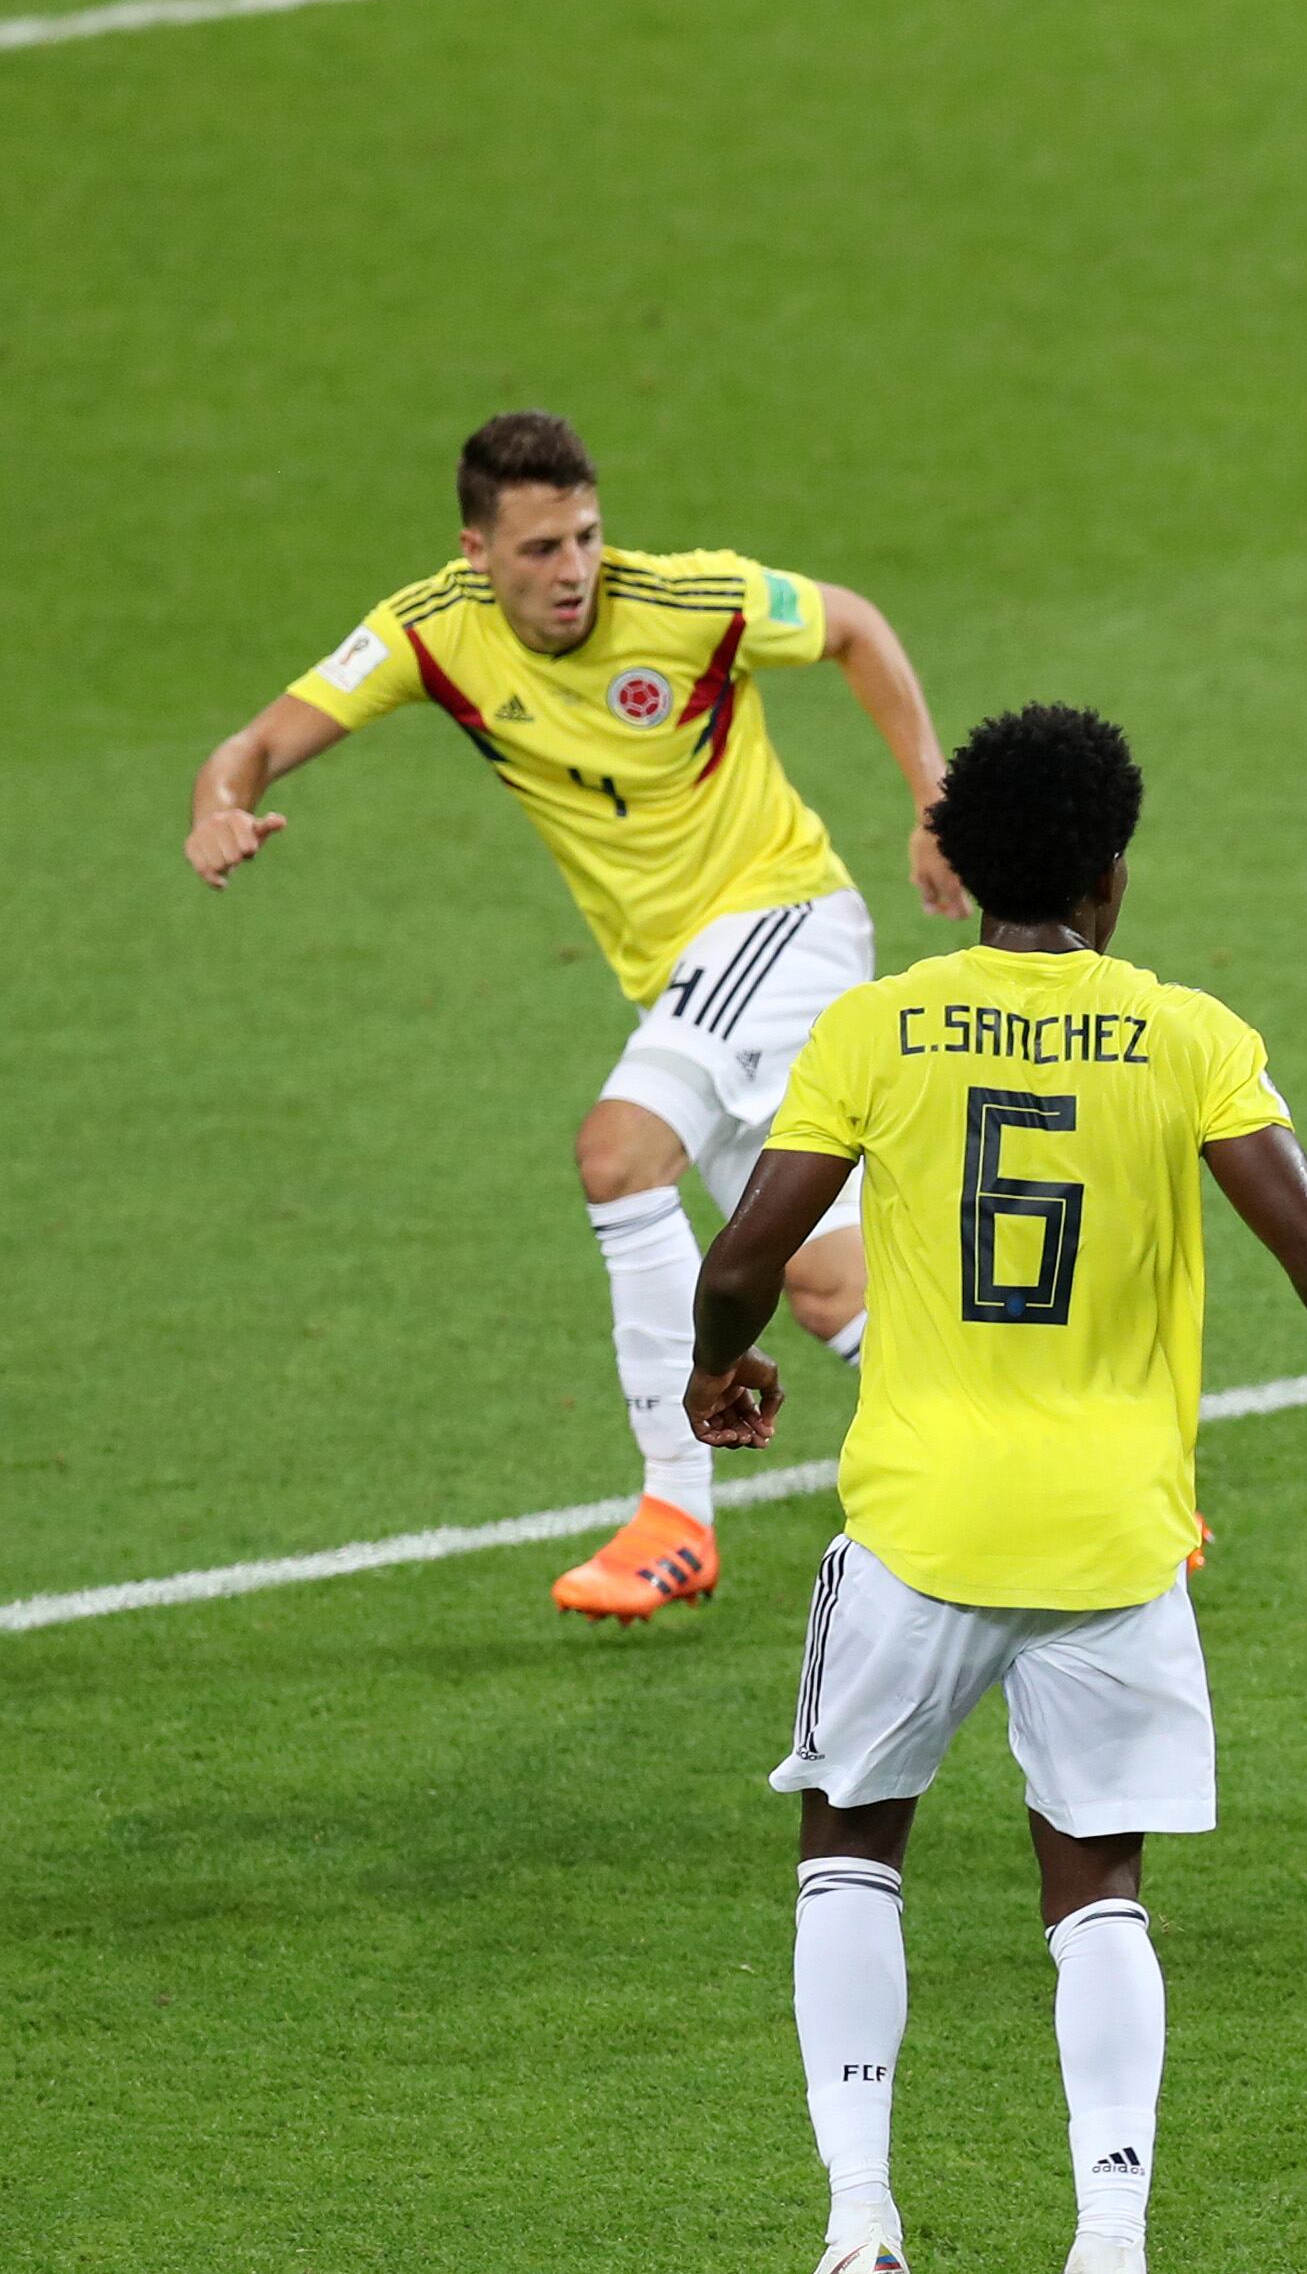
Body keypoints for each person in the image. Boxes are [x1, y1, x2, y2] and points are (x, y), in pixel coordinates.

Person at [680, 705, 1307, 2274]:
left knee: (850, 1842)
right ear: (1111, 874)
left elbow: (749, 1252)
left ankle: (858, 2221)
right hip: (1117, 1538)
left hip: (918, 1525)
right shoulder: (1187, 1035)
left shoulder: (879, 1027)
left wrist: (716, 1367)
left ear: (962, 867)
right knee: (1097, 1884)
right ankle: (1109, 2256)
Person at [184, 410, 967, 1619]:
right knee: (829, 1286)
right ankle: (1057, 1471)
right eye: (542, 548)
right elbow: (253, 743)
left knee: (618, 1153)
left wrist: (931, 801)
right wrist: (219, 807)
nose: (574, 570)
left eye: (587, 537)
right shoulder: (429, 632)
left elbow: (853, 622)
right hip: (692, 982)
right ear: (477, 551)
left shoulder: (687, 600)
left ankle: (675, 1513)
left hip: (783, 925)